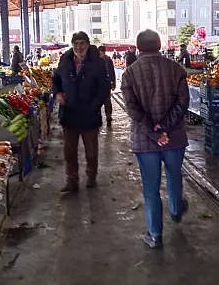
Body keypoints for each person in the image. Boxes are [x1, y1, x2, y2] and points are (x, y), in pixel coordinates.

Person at [121, 29, 190, 249]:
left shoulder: (129, 74)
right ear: (159, 45)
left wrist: (153, 131)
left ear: (138, 47)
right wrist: (165, 128)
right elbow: (183, 102)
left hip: (145, 141)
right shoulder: (177, 69)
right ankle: (176, 211)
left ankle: (154, 235)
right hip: (174, 137)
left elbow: (132, 108)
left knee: (151, 189)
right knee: (174, 177)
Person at [52, 31, 110, 192]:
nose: (79, 47)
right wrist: (57, 93)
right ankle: (72, 180)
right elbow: (55, 79)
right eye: (76, 43)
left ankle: (91, 176)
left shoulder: (98, 62)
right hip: (69, 112)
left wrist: (95, 105)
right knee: (69, 151)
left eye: (82, 43)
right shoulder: (65, 60)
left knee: (91, 150)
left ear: (88, 44)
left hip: (89, 113)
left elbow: (104, 87)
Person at [97, 45, 116, 126]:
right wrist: (113, 82)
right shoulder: (108, 59)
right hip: (106, 83)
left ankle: (100, 118)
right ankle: (108, 116)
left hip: (99, 84)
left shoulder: (96, 60)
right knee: (107, 100)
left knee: (98, 101)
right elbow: (112, 72)